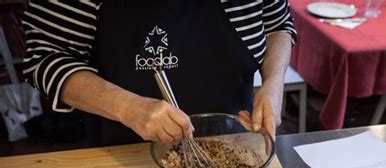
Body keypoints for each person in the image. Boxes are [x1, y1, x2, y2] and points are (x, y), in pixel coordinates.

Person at [22, 1, 297, 146]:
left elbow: (277, 24)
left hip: (238, 139)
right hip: (128, 156)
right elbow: (46, 56)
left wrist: (273, 84)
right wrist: (127, 107)